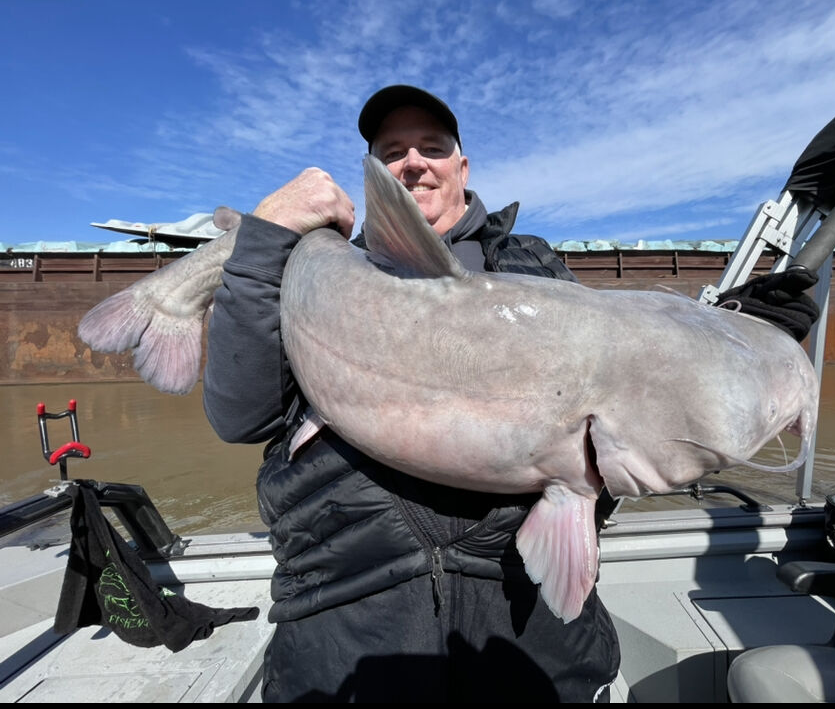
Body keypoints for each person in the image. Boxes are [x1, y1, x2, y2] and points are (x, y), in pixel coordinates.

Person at [202, 85, 621, 702]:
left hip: (520, 617)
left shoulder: (533, 267)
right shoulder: (318, 274)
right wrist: (264, 241)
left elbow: (615, 413)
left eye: (433, 147)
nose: (415, 162)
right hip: (343, 617)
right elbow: (241, 416)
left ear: (462, 167)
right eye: (392, 151)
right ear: (372, 175)